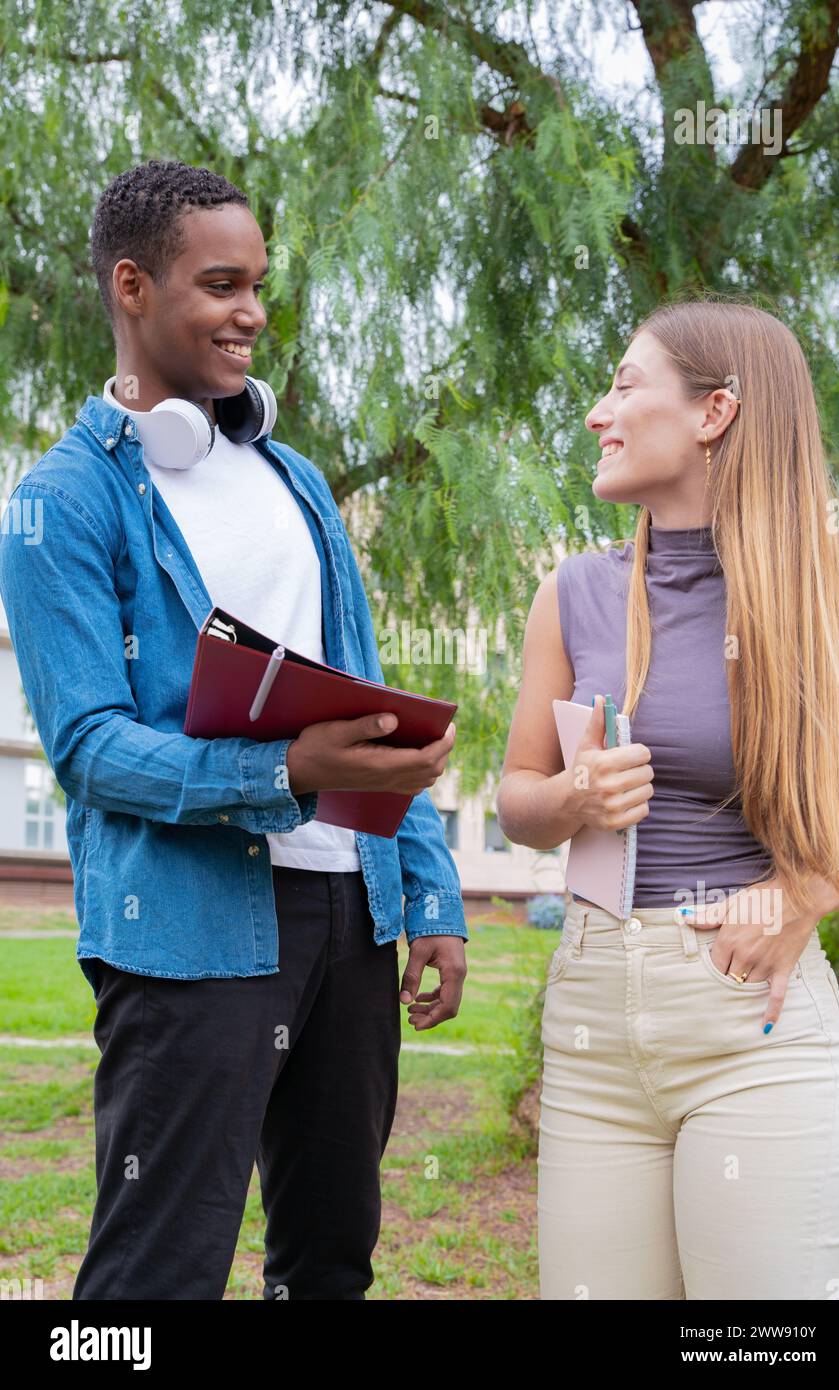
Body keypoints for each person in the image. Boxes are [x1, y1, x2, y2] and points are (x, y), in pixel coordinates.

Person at [0, 158, 468, 1301]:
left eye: (257, 284)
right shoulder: (59, 501)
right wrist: (281, 767)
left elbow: (362, 702)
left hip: (349, 915)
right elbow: (91, 748)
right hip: (189, 935)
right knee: (154, 1272)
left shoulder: (297, 483)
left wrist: (428, 893)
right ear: (132, 287)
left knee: (328, 1259)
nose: (251, 311)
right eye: (219, 284)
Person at [496, 297, 839, 1300]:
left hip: (751, 1025)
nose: (594, 413)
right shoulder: (571, 590)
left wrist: (811, 890)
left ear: (713, 413)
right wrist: (572, 793)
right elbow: (514, 800)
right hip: (591, 1019)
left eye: (623, 384)